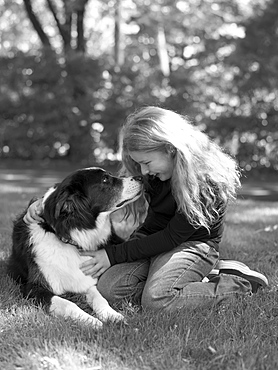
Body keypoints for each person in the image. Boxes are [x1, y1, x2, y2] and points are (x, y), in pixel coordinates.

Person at [24, 106, 268, 312]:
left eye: (146, 163)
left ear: (171, 149)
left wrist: (113, 255)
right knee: (109, 289)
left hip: (192, 246)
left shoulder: (205, 183)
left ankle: (237, 282)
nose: (142, 173)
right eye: (139, 164)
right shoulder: (156, 173)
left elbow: (172, 237)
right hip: (154, 240)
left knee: (157, 300)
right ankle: (177, 277)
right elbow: (89, 195)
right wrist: (42, 205)